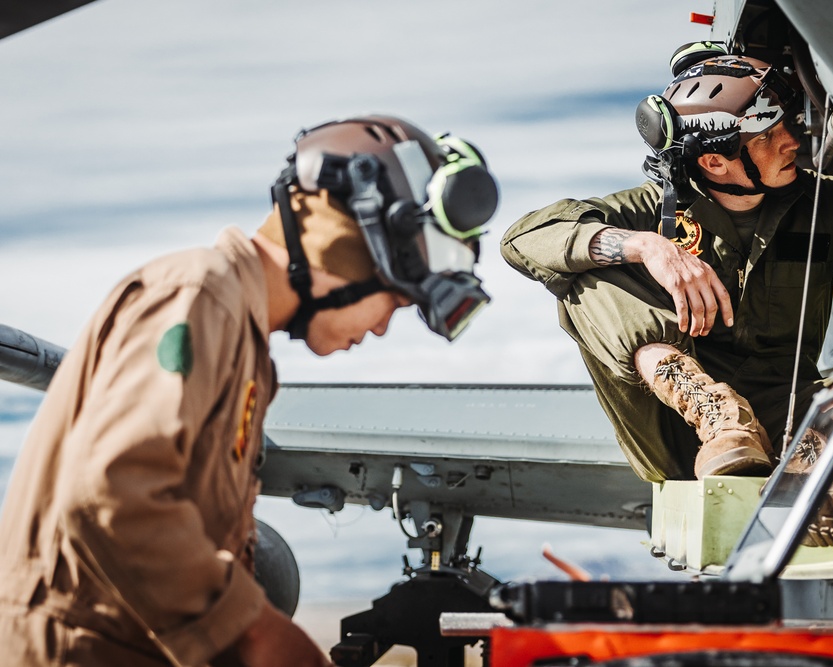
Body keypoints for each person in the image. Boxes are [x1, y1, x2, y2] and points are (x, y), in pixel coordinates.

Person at [0, 115, 499, 666]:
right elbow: (111, 494)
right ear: (345, 243)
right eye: (395, 299)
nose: (381, 326)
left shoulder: (241, 345)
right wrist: (258, 632)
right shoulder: (197, 293)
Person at [501, 44, 833, 547]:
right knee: (582, 280)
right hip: (681, 432)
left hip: (790, 412)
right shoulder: (648, 213)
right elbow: (523, 239)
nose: (792, 142)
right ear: (715, 159)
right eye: (770, 134)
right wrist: (644, 246)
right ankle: (718, 415)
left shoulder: (827, 205)